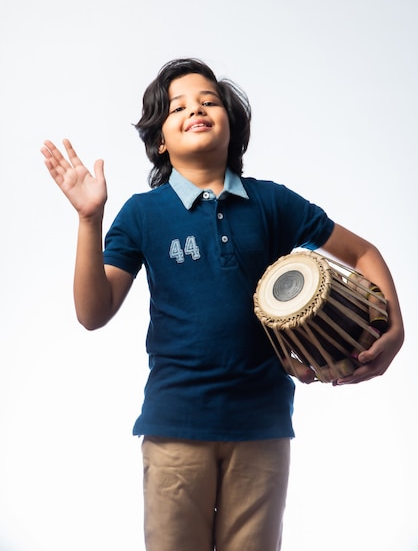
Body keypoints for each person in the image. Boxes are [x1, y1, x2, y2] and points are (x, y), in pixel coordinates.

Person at [41, 58, 404, 551]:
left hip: (263, 424)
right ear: (161, 141)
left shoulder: (271, 202)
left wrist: (395, 326)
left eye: (210, 101)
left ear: (232, 125)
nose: (197, 109)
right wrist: (90, 219)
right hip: (175, 425)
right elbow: (93, 312)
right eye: (179, 107)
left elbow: (361, 252)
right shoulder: (142, 213)